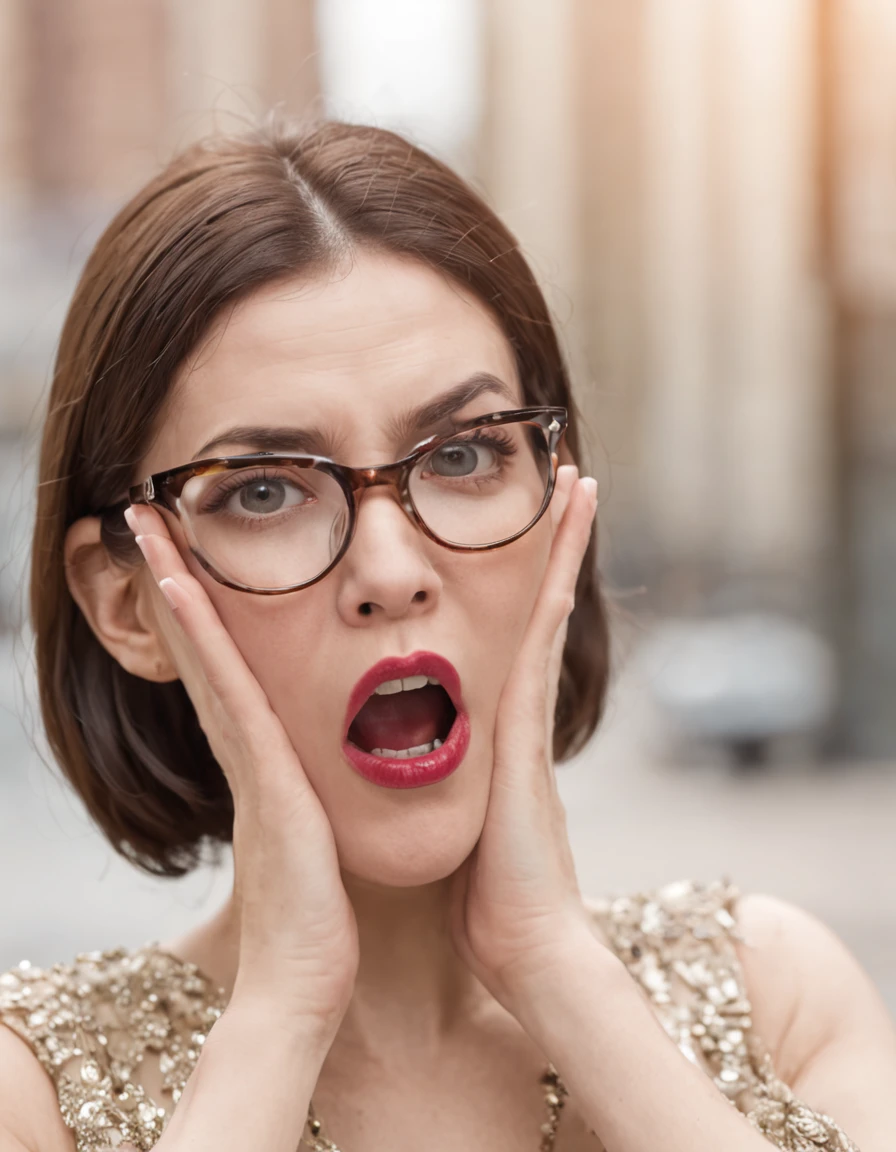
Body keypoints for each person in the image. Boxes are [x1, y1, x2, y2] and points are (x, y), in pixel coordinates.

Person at [0, 120, 892, 1152]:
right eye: (263, 488)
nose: (390, 572)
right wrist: (282, 1012)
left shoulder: (776, 998)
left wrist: (555, 968)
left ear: (560, 506)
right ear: (126, 604)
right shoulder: (31, 1099)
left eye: (463, 456)